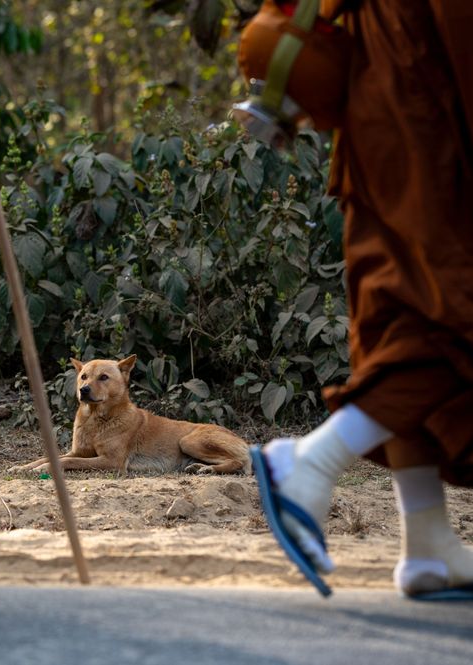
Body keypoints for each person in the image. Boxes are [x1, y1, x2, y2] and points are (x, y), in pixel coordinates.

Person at [255, 0, 473, 600]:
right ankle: (311, 462)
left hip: (381, 105)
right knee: (452, 312)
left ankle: (426, 539)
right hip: (429, 105)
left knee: (398, 310)